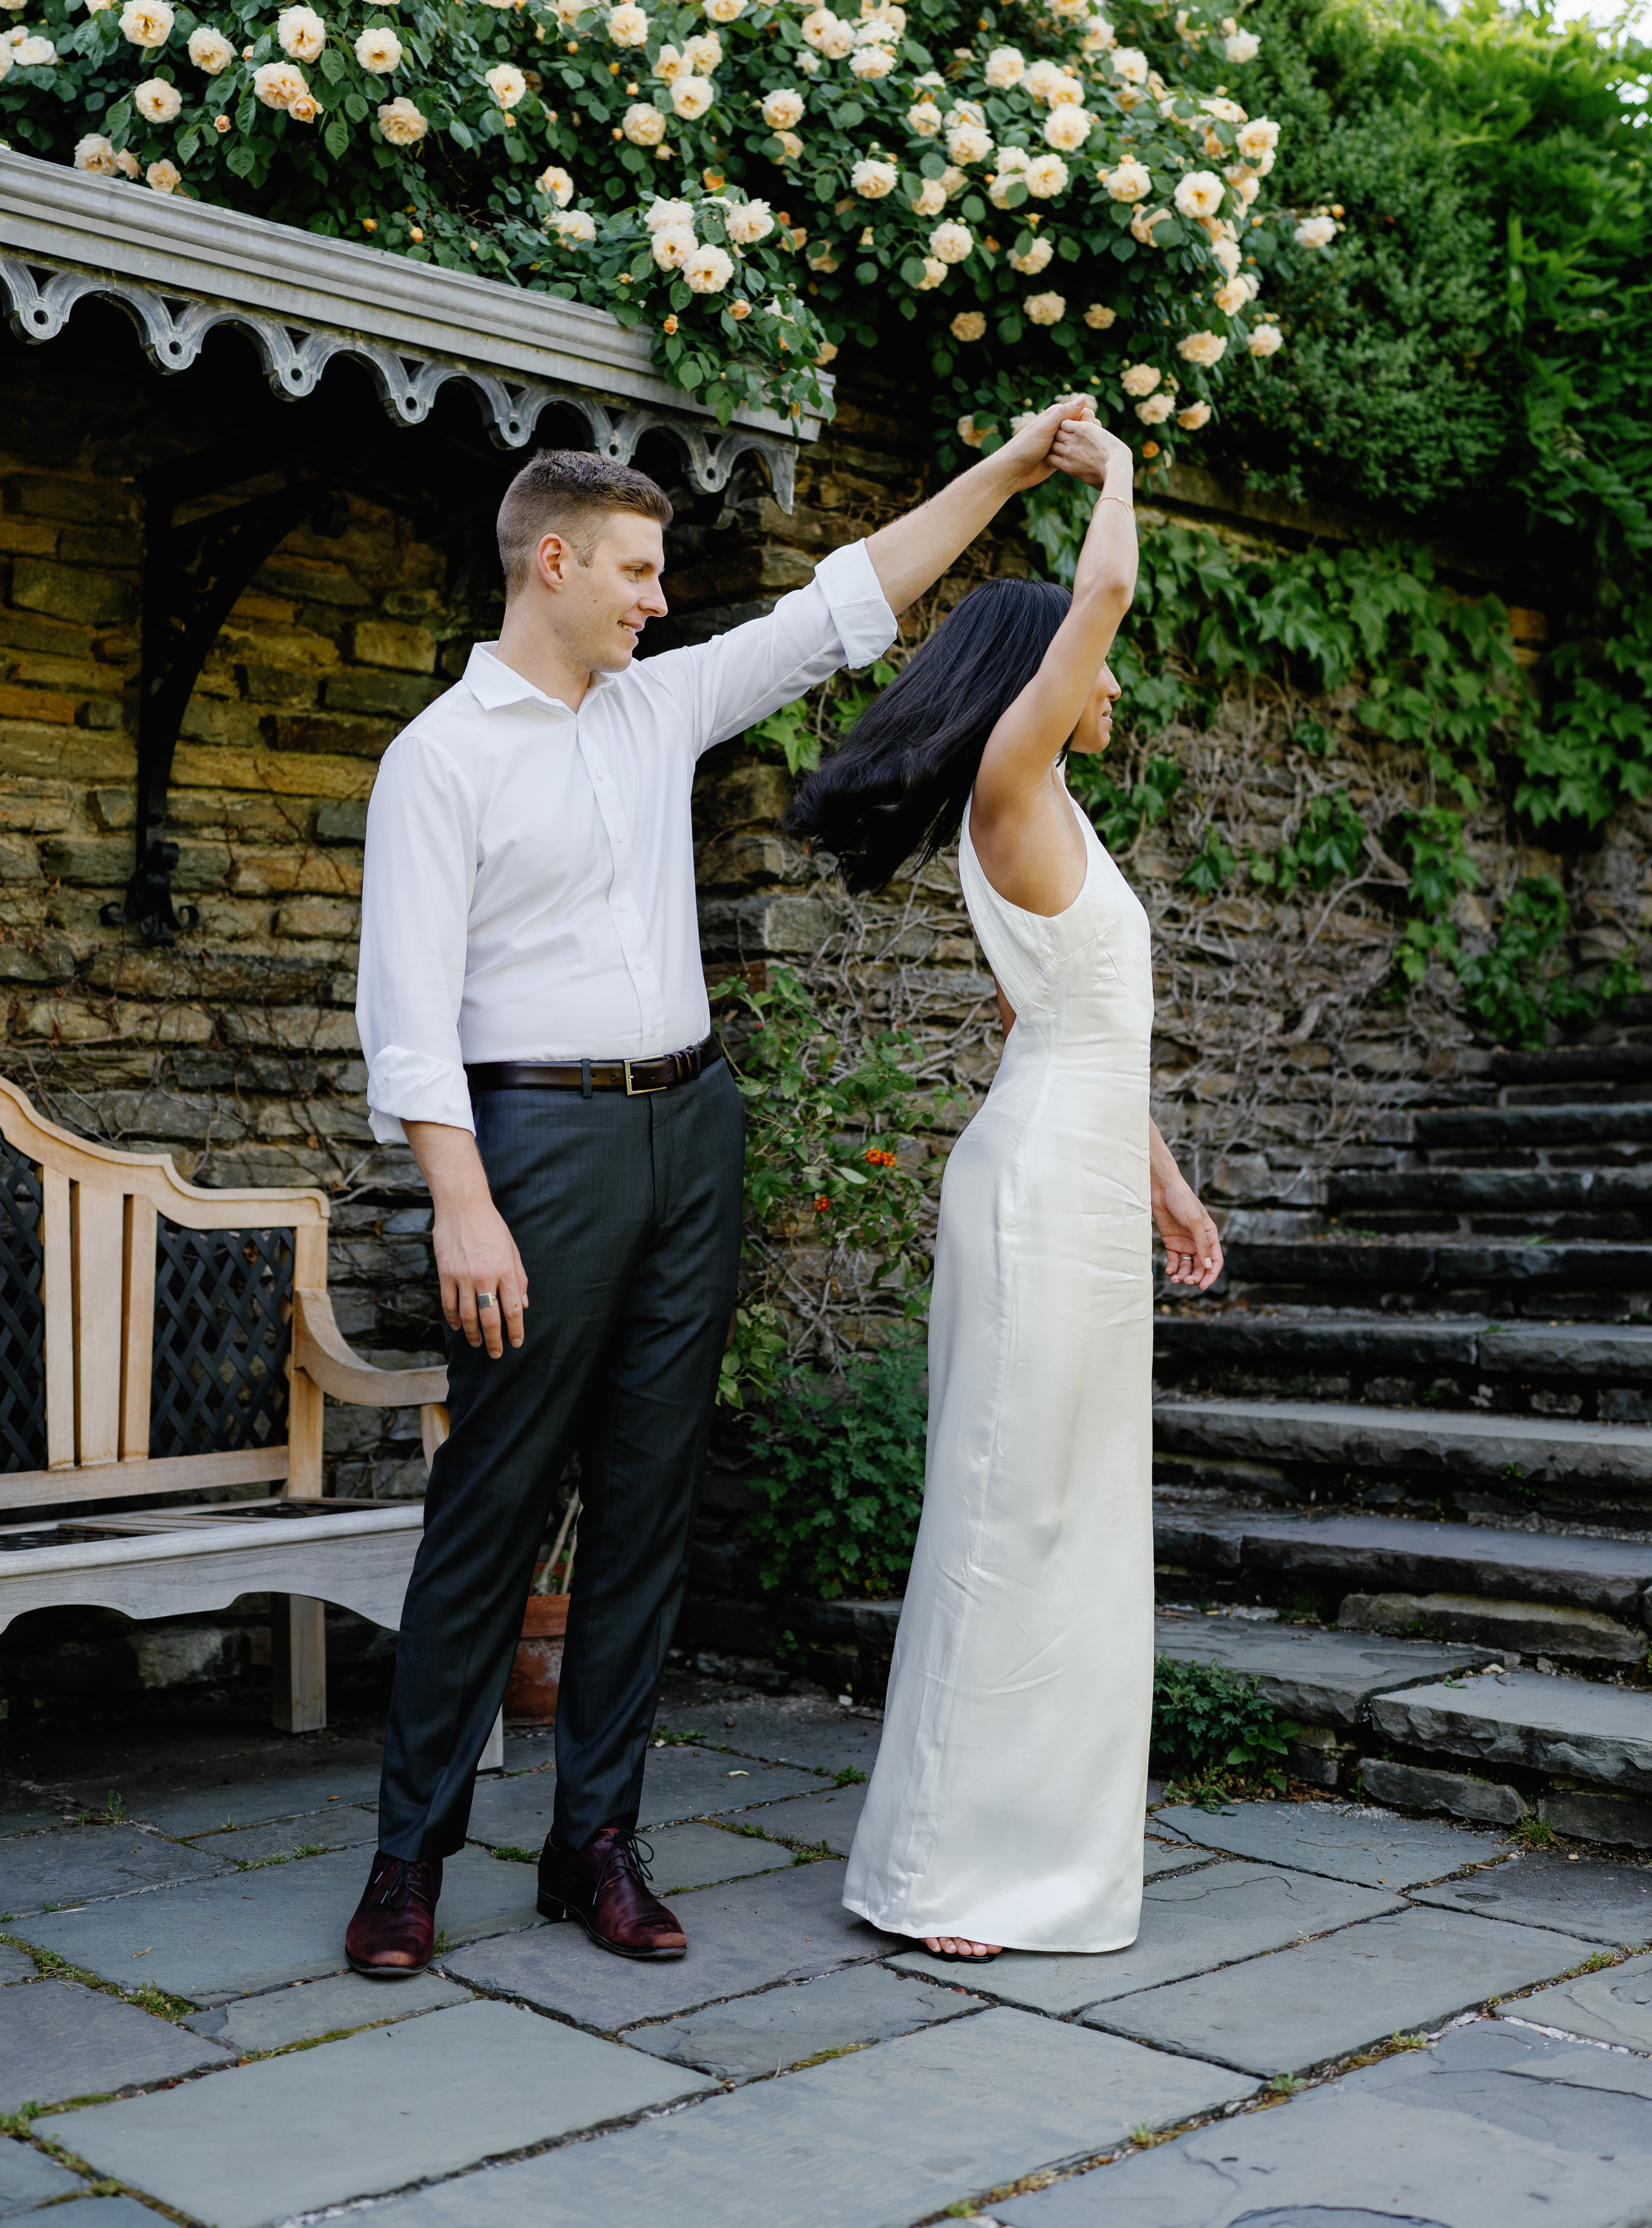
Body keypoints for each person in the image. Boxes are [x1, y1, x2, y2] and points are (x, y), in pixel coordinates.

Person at [344, 414, 1092, 1977]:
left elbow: (847, 602)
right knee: (493, 1507)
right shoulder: (440, 760)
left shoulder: (657, 708)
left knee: (647, 1505)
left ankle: (594, 1846)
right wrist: (460, 1200)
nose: (655, 601)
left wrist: (1014, 472)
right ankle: (409, 1859)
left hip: (695, 1129)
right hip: (534, 1146)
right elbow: (406, 1011)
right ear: (551, 562)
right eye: (633, 570)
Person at [785, 401, 1223, 1963]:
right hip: (1038, 1197)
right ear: (1038, 676)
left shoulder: (1059, 817)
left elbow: (1079, 1026)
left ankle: (1035, 1851)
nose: (1112, 679)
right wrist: (1113, 476)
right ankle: (950, 1871)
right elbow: (1094, 601)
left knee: (1072, 1518)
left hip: (1085, 1176)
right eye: (1089, 665)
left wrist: (1164, 1182)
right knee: (1006, 1510)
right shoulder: (1012, 788)